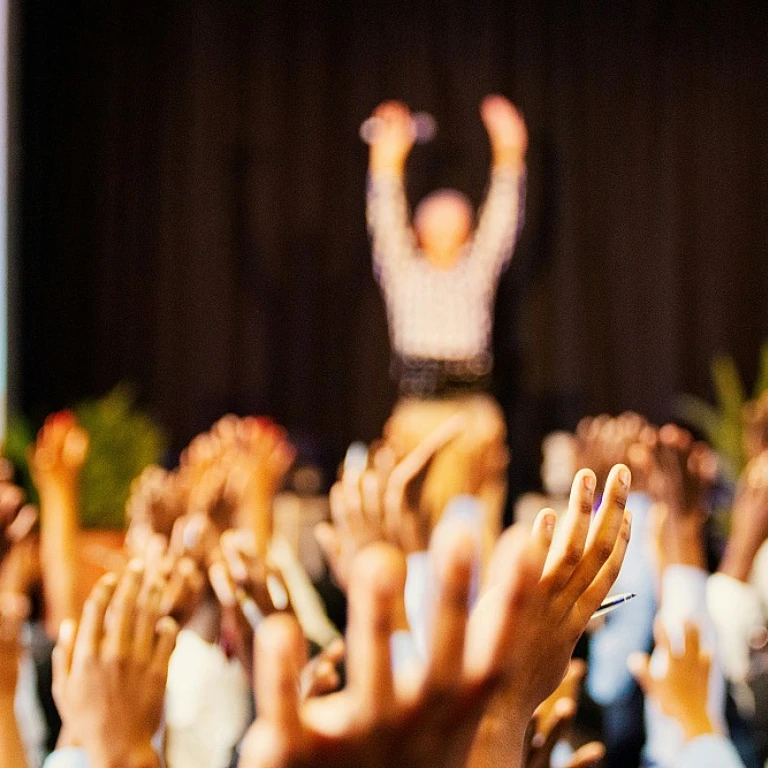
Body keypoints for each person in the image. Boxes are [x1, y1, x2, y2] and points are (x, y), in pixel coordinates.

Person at [366, 94, 527, 550]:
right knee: (415, 525)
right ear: (419, 231)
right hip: (419, 411)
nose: (447, 225)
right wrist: (386, 160)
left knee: (475, 530)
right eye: (435, 219)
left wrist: (510, 152)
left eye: (457, 218)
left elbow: (502, 220)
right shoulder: (404, 271)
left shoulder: (475, 271)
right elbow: (385, 217)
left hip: (472, 411)